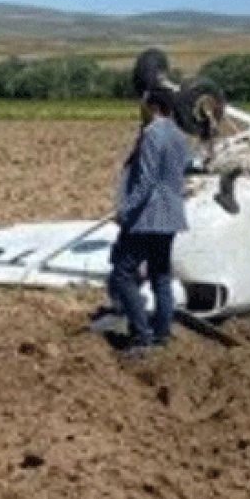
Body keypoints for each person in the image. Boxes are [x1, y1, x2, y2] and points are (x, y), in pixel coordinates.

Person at [105, 85, 189, 355]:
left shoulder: (153, 135)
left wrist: (125, 209)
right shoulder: (179, 136)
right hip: (171, 215)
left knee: (123, 274)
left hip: (148, 216)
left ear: (153, 107)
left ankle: (142, 336)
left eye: (143, 104)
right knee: (160, 276)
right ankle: (162, 334)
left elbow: (146, 181)